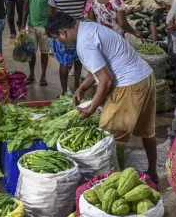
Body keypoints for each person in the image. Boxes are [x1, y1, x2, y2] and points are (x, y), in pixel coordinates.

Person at [46, 11, 159, 185]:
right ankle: (153, 172)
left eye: (57, 38)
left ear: (63, 32)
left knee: (109, 134)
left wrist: (91, 109)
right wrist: (83, 87)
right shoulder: (88, 27)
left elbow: (106, 80)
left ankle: (116, 184)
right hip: (145, 77)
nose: (59, 42)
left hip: (129, 84)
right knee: (146, 131)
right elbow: (100, 66)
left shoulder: (84, 44)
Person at [48, 0, 87, 95]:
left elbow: (50, 13)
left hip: (63, 32)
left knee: (64, 61)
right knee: (78, 59)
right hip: (78, 30)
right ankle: (76, 83)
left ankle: (65, 91)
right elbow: (83, 8)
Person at [21, 0, 53, 86]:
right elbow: (25, 5)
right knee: (31, 52)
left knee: (44, 53)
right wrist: (23, 23)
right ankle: (32, 74)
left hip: (44, 26)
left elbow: (53, 9)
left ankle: (43, 75)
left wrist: (50, 26)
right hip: (32, 25)